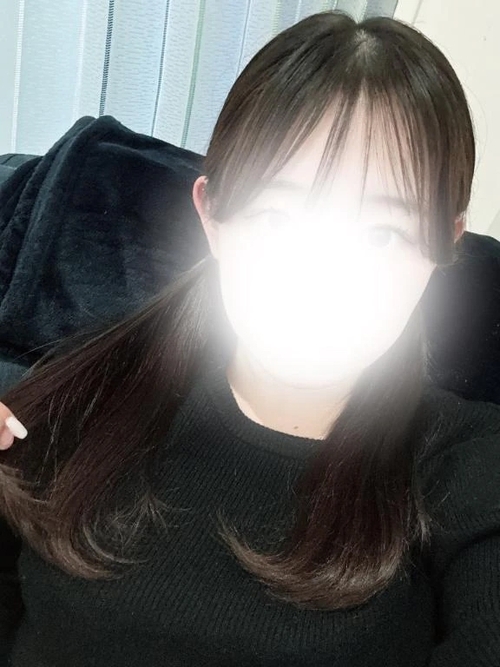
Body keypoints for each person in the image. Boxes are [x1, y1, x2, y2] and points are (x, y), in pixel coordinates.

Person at [0, 10, 499, 667]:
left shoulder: (468, 466)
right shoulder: (82, 393)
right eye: (277, 217)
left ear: (444, 247)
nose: (322, 273)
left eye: (383, 234)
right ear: (212, 216)